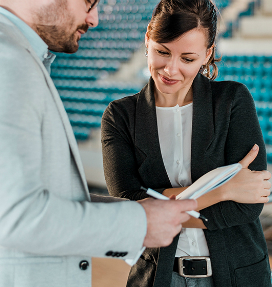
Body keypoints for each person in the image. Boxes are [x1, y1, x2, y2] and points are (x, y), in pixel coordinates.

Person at [0, 0, 198, 286]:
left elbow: (33, 198)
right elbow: (16, 216)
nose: (93, 19)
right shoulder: (9, 62)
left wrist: (138, 213)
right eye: (89, 2)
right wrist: (140, 225)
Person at [101, 0, 272, 286]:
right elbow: (128, 208)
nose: (171, 69)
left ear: (207, 54)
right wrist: (223, 190)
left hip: (237, 275)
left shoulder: (232, 101)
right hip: (159, 277)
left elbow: (247, 206)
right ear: (147, 39)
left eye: (187, 59)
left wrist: (157, 202)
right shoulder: (120, 116)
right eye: (162, 52)